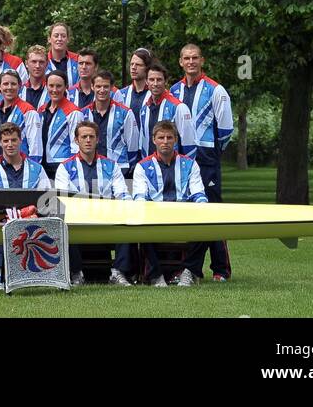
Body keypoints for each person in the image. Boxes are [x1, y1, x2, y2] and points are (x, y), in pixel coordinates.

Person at [171, 43, 235, 281]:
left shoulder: (215, 90)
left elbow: (226, 129)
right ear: (180, 62)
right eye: (186, 58)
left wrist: (212, 152)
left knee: (212, 212)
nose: (190, 62)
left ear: (202, 61)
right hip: (182, 160)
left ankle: (219, 269)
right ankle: (192, 268)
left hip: (207, 159)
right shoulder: (174, 90)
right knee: (193, 213)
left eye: (194, 58)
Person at [54, 121, 132, 286]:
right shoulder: (65, 167)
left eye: (91, 136)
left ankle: (118, 273)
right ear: (76, 140)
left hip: (107, 220)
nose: (88, 140)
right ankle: (76, 274)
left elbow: (123, 193)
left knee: (127, 218)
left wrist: (124, 206)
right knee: (62, 220)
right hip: (78, 221)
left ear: (98, 140)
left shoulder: (111, 166)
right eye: (84, 137)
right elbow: (62, 198)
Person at [131, 120, 207, 287]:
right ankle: (156, 276)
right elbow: (139, 196)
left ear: (176, 140)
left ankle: (188, 272)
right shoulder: (142, 167)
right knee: (140, 230)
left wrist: (202, 210)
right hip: (155, 218)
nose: (165, 142)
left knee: (207, 229)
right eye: (161, 137)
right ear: (153, 140)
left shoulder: (190, 164)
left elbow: (198, 193)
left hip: (183, 217)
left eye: (169, 137)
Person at [0, 122, 50, 291]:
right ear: (0, 143)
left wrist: (32, 213)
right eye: (6, 141)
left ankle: (38, 276)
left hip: (31, 219)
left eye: (13, 140)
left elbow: (47, 198)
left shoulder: (37, 169)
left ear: (20, 141)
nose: (10, 144)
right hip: (1, 220)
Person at [80, 70, 139, 174]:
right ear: (92, 87)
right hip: (91, 168)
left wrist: (128, 168)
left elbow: (133, 145)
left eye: (106, 86)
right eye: (98, 86)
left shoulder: (125, 113)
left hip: (119, 168)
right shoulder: (83, 114)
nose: (102, 90)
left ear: (112, 88)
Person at [136, 61, 195, 159]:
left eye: (159, 80)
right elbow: (143, 143)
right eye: (151, 79)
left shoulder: (179, 108)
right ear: (146, 81)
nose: (155, 83)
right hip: (150, 168)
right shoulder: (144, 109)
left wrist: (185, 169)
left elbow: (189, 144)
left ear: (165, 81)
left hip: (172, 167)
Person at [35, 70, 83, 178]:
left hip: (63, 166)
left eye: (59, 86)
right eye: (51, 86)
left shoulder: (73, 112)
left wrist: (72, 168)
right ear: (46, 86)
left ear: (66, 87)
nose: (54, 90)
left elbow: (76, 145)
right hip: (42, 166)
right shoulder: (41, 110)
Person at [0, 71, 40, 160]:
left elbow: (36, 147)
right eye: (6, 84)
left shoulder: (28, 111)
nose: (9, 87)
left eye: (13, 84)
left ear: (19, 86)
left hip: (21, 168)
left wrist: (32, 170)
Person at [115, 47, 154, 115]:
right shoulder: (121, 94)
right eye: (131, 64)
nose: (133, 67)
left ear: (147, 68)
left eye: (138, 65)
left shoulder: (155, 93)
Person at [45, 22, 81, 87]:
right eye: (56, 36)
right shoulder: (42, 61)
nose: (59, 39)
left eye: (63, 36)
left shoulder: (78, 60)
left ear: (68, 39)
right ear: (49, 39)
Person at [19, 45, 49, 109]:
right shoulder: (19, 91)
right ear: (26, 63)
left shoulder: (54, 90)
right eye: (34, 62)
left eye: (41, 62)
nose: (37, 66)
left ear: (47, 64)